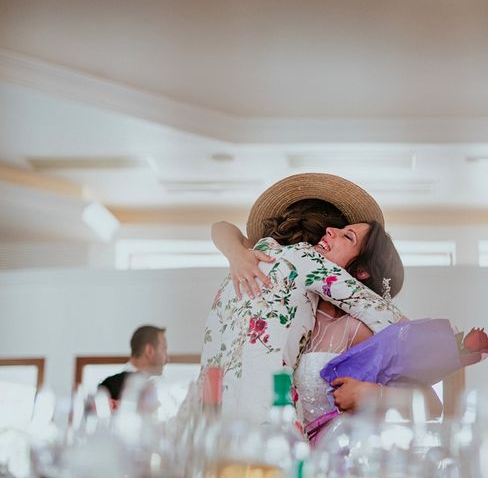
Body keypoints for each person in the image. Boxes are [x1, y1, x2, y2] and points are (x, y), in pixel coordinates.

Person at [201, 174, 407, 423]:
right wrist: (444, 344)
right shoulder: (303, 259)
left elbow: (220, 227)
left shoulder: (257, 254)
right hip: (264, 416)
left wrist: (235, 253)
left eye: (345, 234)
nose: (331, 233)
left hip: (208, 415)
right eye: (337, 229)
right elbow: (390, 320)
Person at [98, 325, 169, 401]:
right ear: (149, 351)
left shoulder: (162, 387)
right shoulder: (110, 388)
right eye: (164, 349)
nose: (167, 359)